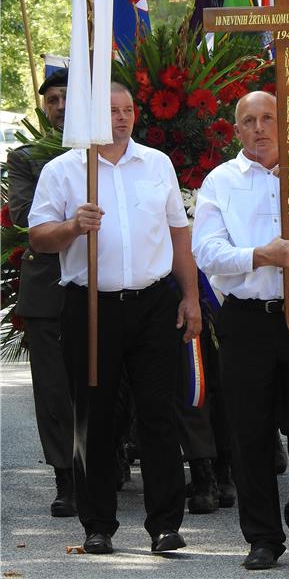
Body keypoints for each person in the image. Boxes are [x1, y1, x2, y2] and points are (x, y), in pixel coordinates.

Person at [28, 82, 201, 555]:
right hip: (90, 305)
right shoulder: (65, 170)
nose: (122, 118)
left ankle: (165, 525)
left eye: (128, 109)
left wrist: (191, 298)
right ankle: (97, 523)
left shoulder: (156, 164)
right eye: (111, 111)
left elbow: (179, 236)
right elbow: (39, 237)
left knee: (158, 415)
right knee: (95, 416)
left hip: (152, 303)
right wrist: (72, 226)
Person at [192, 91, 289, 571]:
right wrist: (259, 256)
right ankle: (262, 537)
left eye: (267, 119)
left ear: (283, 126)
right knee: (251, 433)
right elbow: (207, 251)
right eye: (249, 121)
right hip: (246, 319)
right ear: (236, 129)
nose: (260, 128)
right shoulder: (221, 181)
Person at [7, 68, 76, 518]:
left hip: (110, 281)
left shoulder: (113, 150)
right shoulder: (28, 157)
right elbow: (23, 214)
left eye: (68, 98)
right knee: (53, 389)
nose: (61, 107)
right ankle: (66, 477)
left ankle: (107, 461)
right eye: (52, 100)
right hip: (49, 282)